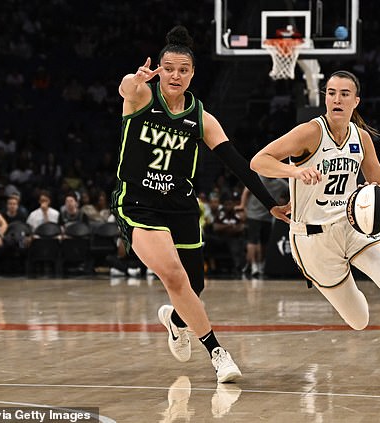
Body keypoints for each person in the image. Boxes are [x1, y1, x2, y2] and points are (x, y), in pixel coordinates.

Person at [250, 70, 380, 388]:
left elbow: (379, 183)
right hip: (313, 240)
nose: (336, 98)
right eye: (331, 92)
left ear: (356, 100)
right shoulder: (310, 132)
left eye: (344, 93)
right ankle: (344, 280)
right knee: (359, 320)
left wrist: (364, 198)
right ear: (325, 97)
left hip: (353, 227)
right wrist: (294, 173)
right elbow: (259, 161)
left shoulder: (361, 137)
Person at [109, 26, 288, 383]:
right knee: (173, 276)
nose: (175, 75)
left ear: (192, 74)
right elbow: (125, 88)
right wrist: (134, 78)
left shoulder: (202, 118)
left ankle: (176, 322)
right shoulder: (142, 96)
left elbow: (238, 163)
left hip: (181, 207)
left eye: (183, 69)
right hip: (139, 203)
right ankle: (218, 352)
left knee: (194, 287)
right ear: (158, 69)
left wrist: (270, 203)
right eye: (169, 68)